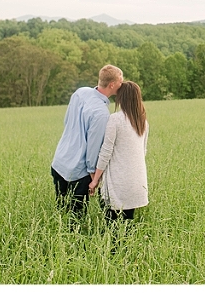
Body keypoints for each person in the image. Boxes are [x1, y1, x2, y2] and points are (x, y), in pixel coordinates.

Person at [51, 64, 123, 214]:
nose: (122, 85)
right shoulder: (101, 113)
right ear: (112, 84)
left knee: (61, 212)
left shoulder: (80, 92)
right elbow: (93, 147)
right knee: (76, 218)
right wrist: (93, 175)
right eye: (120, 82)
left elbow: (67, 121)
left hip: (59, 161)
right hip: (77, 172)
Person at [89, 81, 149, 224]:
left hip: (118, 185)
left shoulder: (115, 119)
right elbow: (143, 151)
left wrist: (95, 180)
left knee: (111, 226)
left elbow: (106, 152)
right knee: (127, 225)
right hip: (136, 183)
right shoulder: (143, 122)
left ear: (121, 98)